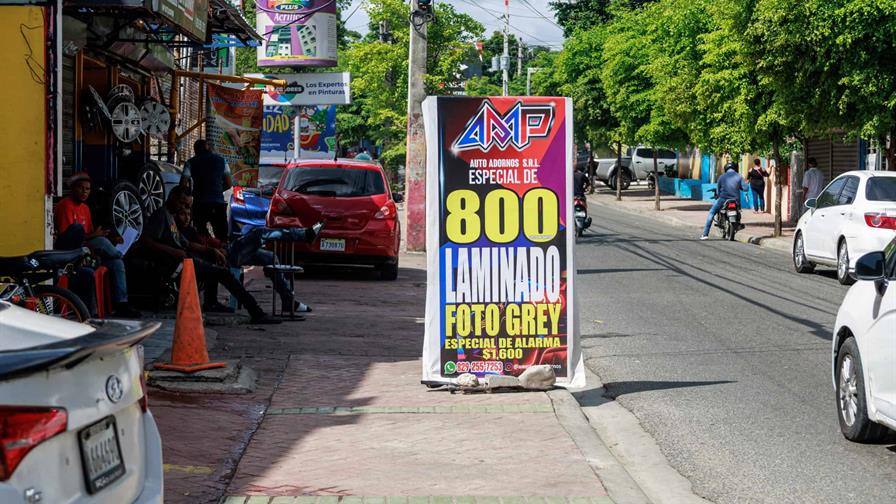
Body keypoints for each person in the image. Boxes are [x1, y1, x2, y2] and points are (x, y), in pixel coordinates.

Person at [137, 186, 280, 324]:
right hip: (175, 264)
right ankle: (256, 312)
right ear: (172, 198)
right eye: (181, 203)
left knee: (216, 262)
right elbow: (146, 241)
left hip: (185, 258)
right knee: (224, 274)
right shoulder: (161, 215)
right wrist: (173, 252)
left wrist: (211, 250)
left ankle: (212, 302)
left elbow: (186, 243)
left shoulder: (170, 217)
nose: (183, 207)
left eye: (186, 205)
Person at [176, 204, 322, 315]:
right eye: (182, 214)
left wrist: (218, 244)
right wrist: (213, 249)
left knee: (271, 258)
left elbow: (211, 241)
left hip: (228, 249)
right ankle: (303, 235)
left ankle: (288, 301)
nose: (187, 217)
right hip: (227, 255)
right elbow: (188, 246)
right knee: (258, 233)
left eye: (188, 214)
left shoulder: (192, 229)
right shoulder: (180, 232)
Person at [54, 172, 140, 318]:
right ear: (73, 189)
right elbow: (70, 236)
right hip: (71, 249)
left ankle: (122, 304)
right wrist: (96, 236)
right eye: (81, 188)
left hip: (88, 248)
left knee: (116, 262)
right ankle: (119, 252)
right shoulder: (65, 205)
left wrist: (109, 238)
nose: (84, 192)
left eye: (87, 189)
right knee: (101, 242)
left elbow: (90, 233)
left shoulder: (85, 209)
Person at [181, 139, 231, 241]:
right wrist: (216, 191)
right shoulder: (222, 160)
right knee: (222, 237)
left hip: (200, 204)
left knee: (201, 236)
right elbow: (228, 184)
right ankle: (223, 254)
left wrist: (190, 195)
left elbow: (182, 184)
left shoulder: (190, 162)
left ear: (195, 150)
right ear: (208, 147)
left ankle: (206, 253)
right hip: (218, 204)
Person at [701, 162, 748, 240]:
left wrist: (718, 195)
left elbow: (718, 191)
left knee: (711, 213)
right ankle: (738, 223)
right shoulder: (739, 176)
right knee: (738, 210)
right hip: (736, 200)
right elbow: (746, 188)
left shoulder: (721, 177)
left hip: (723, 199)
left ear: (725, 169)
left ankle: (705, 234)